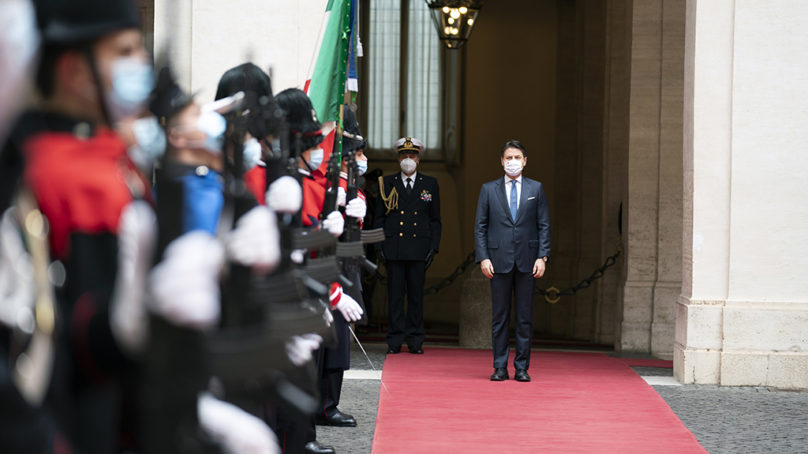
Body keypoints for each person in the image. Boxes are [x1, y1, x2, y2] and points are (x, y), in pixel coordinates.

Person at [473, 140, 550, 383]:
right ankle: (499, 366)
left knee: (525, 317)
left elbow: (544, 225)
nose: (513, 162)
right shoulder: (488, 189)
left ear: (525, 161)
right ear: (501, 161)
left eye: (517, 157)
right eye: (509, 157)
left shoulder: (536, 189)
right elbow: (480, 227)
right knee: (500, 317)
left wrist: (542, 256)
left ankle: (522, 367)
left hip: (528, 260)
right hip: (498, 260)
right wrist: (483, 257)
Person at [374, 137, 441, 355]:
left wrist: (434, 246)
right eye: (404, 155)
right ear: (398, 158)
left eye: (412, 156)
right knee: (394, 297)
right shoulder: (387, 183)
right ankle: (394, 341)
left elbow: (435, 219)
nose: (408, 159)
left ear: (419, 159)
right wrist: (378, 246)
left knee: (415, 297)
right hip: (394, 247)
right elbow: (379, 219)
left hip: (418, 248)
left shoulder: (429, 184)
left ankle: (415, 340)